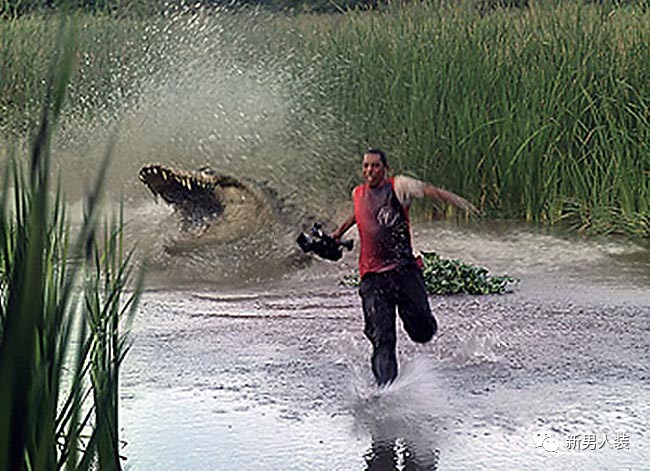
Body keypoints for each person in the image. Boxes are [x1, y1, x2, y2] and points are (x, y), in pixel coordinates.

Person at [331, 148, 477, 386]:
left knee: (422, 332)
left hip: (404, 271)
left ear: (385, 168)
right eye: (366, 166)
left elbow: (429, 191)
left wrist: (457, 201)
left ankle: (421, 327)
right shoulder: (357, 193)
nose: (369, 170)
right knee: (382, 338)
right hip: (372, 278)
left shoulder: (399, 187)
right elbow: (359, 213)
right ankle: (386, 389)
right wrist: (338, 232)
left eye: (375, 166)